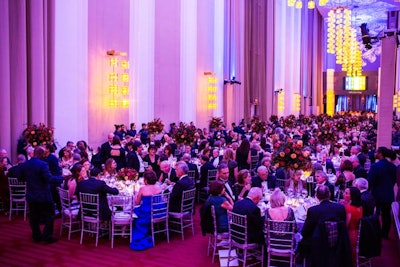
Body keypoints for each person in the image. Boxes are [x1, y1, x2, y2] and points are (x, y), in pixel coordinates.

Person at [19, 147, 63, 244]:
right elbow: (49, 179)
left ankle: (36, 235)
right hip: (43, 195)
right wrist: (61, 178)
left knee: (34, 216)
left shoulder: (25, 164)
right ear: (42, 154)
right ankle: (47, 236)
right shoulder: (43, 164)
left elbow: (20, 178)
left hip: (31, 194)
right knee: (49, 215)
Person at [300, 185, 351, 267]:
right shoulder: (340, 208)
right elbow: (343, 226)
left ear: (316, 196)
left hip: (317, 245)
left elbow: (305, 232)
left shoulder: (313, 210)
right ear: (329, 194)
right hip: (338, 243)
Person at [367, 146, 396, 239]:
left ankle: (374, 232)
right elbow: (393, 180)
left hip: (377, 194)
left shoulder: (375, 166)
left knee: (375, 213)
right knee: (386, 215)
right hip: (388, 193)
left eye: (376, 152)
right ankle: (385, 234)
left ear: (380, 153)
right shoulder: (392, 166)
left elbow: (370, 181)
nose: (375, 154)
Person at [130, 170, 162, 251]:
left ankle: (138, 235)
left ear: (146, 180)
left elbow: (137, 202)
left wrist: (135, 194)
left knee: (135, 217)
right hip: (159, 211)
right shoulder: (158, 187)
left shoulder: (143, 189)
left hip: (148, 212)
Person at [342, 187, 363, 267]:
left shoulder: (349, 209)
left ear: (352, 196)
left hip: (350, 234)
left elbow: (345, 226)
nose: (343, 194)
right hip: (357, 232)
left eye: (346, 193)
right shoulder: (360, 206)